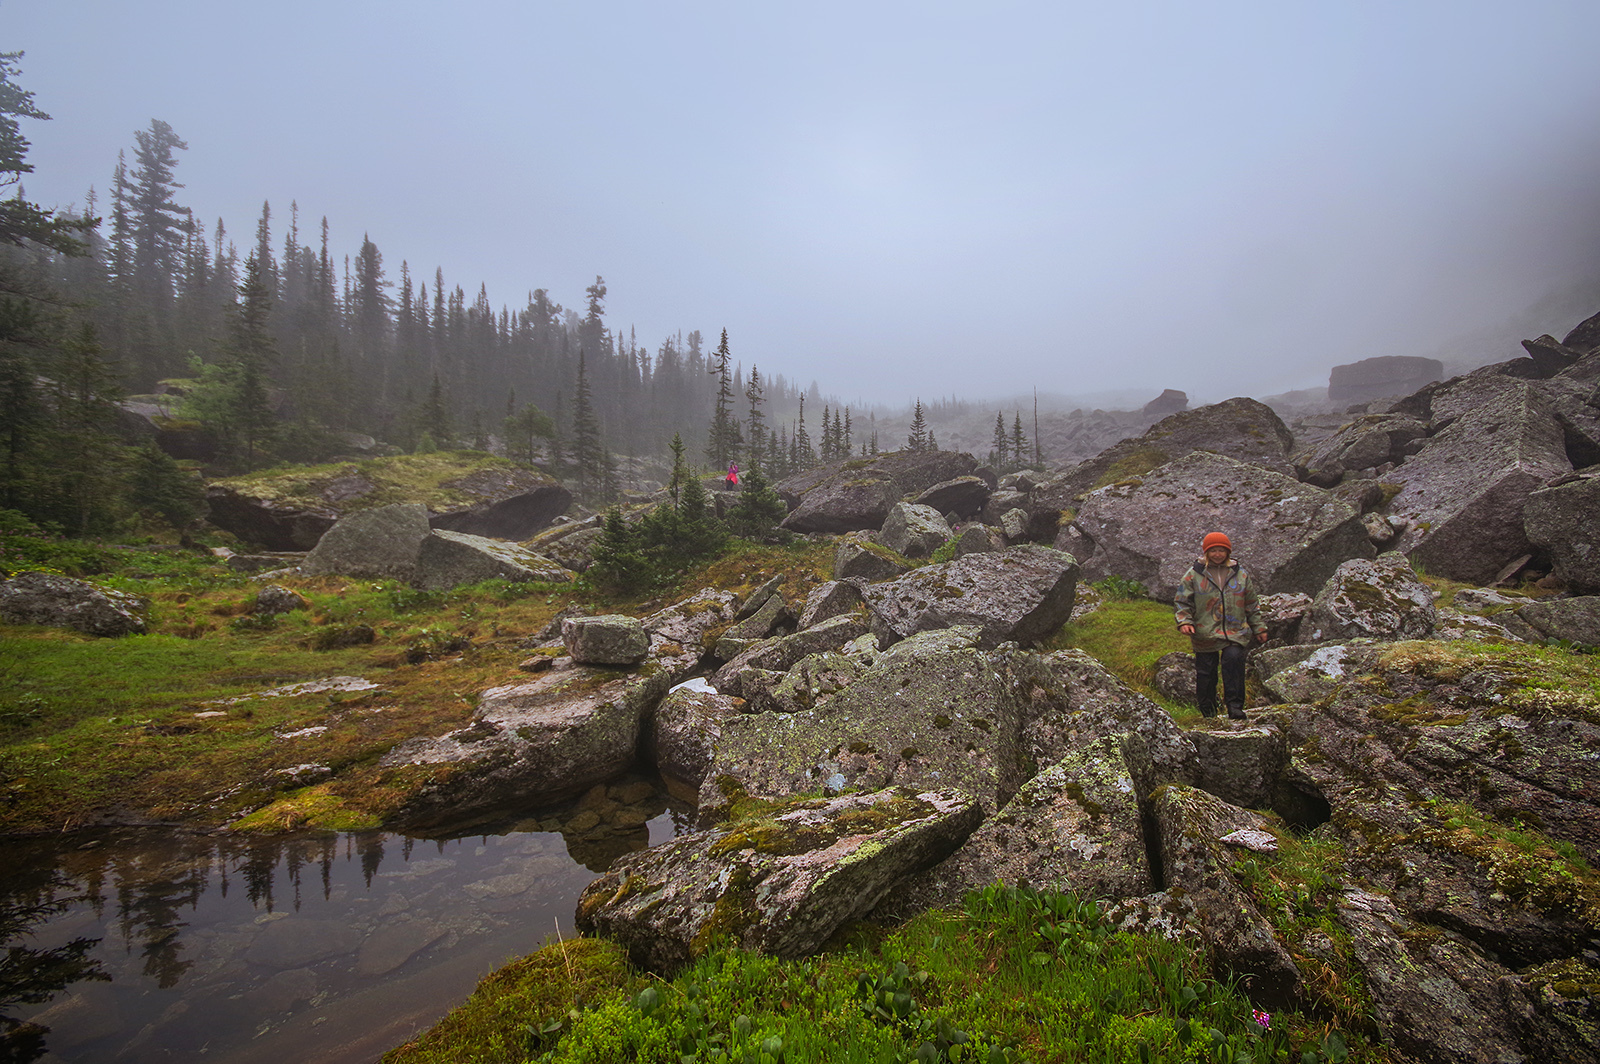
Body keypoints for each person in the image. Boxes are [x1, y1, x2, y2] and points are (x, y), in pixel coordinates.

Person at [1173, 531, 1267, 720]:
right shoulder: (1193, 575)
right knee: (1206, 673)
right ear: (1206, 552)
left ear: (1228, 552)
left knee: (1234, 663)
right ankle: (1208, 712)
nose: (1217, 554)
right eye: (1213, 550)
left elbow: (1251, 604)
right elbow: (1182, 601)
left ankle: (1235, 707)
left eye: (1221, 550)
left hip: (1235, 632)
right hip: (1205, 633)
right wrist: (1185, 622)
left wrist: (1259, 628)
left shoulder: (1240, 574)